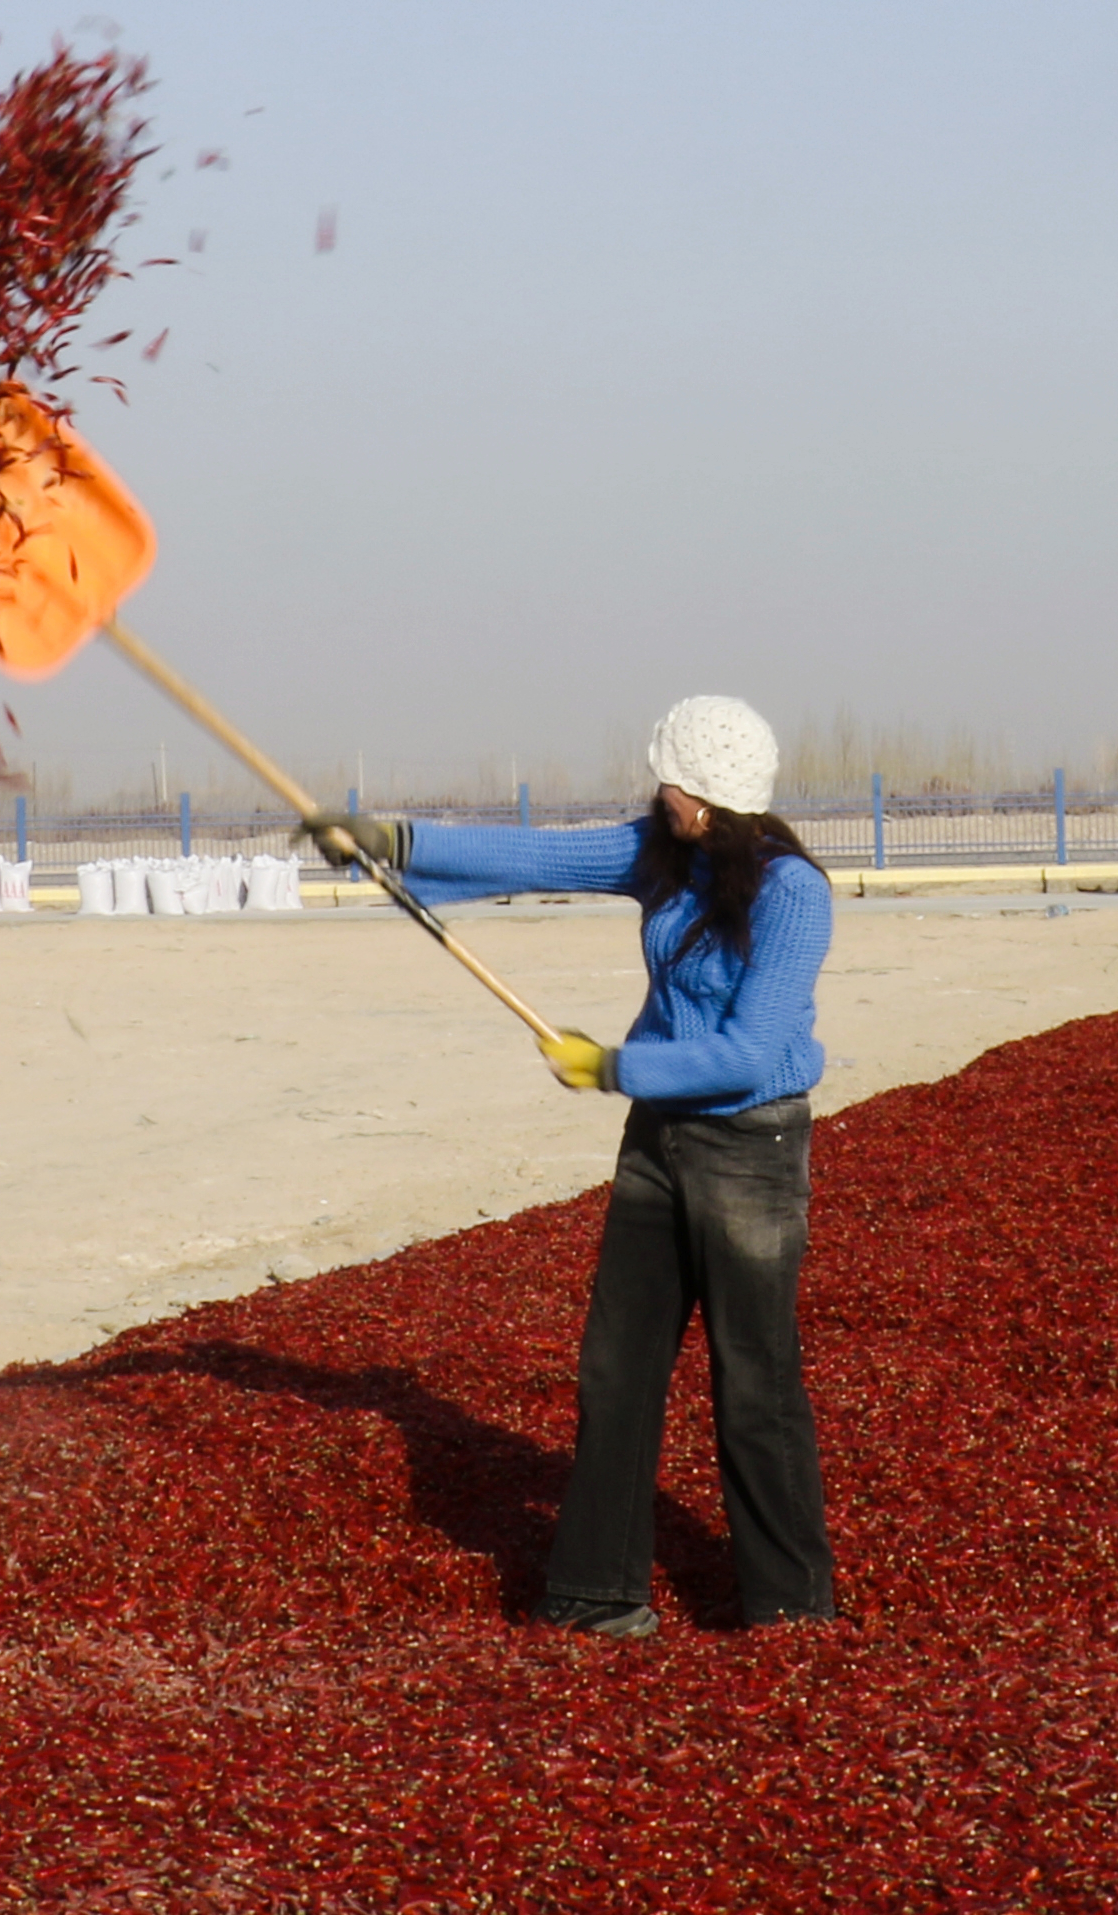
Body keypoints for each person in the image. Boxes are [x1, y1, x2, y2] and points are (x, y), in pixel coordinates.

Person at [306, 695, 839, 1638]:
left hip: (750, 1148)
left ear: (705, 795)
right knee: (616, 1368)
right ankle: (600, 1592)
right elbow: (535, 856)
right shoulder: (660, 855)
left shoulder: (793, 893)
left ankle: (790, 1604)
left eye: (667, 776)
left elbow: (753, 1054)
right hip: (658, 1143)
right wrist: (389, 840)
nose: (656, 788)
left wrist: (615, 1066)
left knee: (754, 1381)